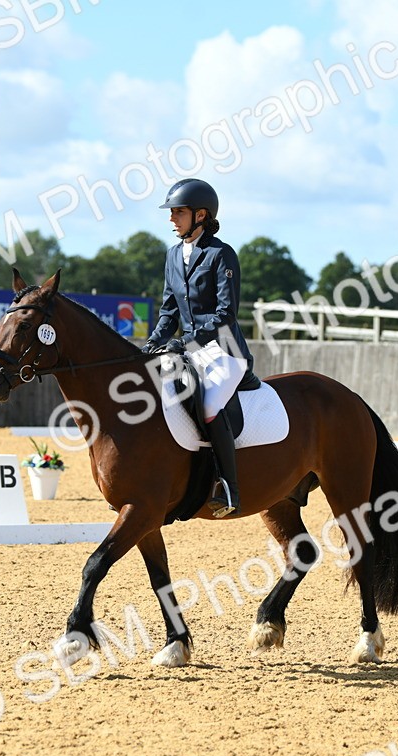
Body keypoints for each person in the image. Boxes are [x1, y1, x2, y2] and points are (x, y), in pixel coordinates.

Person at [141, 178, 256, 518]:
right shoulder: (173, 255)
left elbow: (225, 314)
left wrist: (186, 342)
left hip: (224, 350)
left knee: (209, 405)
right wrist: (153, 342)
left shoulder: (221, 254)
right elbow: (169, 311)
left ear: (201, 215)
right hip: (188, 350)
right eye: (172, 212)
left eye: (178, 212)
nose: (171, 218)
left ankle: (229, 489)